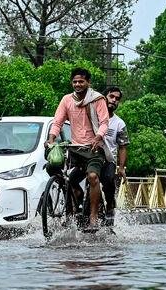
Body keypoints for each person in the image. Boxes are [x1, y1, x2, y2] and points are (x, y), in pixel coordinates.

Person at [45, 67, 110, 227]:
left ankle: (94, 216)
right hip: (75, 149)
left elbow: (104, 122)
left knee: (93, 177)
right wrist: (51, 139)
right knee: (66, 178)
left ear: (88, 82)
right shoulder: (67, 100)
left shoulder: (97, 99)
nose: (78, 84)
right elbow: (58, 122)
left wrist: (98, 136)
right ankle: (76, 206)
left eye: (81, 81)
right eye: (75, 81)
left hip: (94, 149)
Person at [101, 86, 128, 223]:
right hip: (89, 156)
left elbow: (123, 146)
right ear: (104, 97)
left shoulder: (119, 123)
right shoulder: (93, 115)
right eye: (111, 96)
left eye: (117, 99)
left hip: (108, 160)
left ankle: (110, 207)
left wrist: (121, 168)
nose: (114, 100)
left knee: (109, 183)